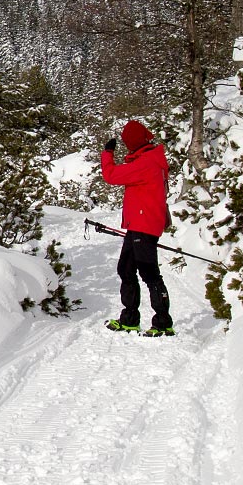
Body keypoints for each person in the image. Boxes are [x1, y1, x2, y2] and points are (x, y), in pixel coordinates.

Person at [100, 119, 173, 336]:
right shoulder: (148, 158)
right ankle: (130, 319)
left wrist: (107, 154)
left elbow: (111, 176)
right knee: (126, 269)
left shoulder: (147, 162)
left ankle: (163, 323)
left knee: (149, 274)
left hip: (145, 224)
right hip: (139, 224)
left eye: (127, 141)